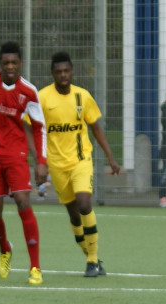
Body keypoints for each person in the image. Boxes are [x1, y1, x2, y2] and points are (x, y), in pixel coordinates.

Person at [39, 51, 122, 277]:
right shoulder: (42, 98)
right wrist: (39, 161)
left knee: (84, 204)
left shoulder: (82, 96)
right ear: (53, 73)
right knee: (74, 216)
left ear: (72, 71)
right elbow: (33, 129)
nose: (63, 75)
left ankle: (92, 260)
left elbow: (96, 128)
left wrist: (111, 158)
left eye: (66, 71)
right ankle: (92, 258)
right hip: (57, 165)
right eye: (59, 71)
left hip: (81, 160)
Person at [0, 41, 48, 285]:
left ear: (20, 63)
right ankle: (5, 248)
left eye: (14, 62)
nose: (10, 67)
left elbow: (39, 128)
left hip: (16, 155)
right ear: (0, 63)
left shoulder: (29, 91)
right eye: (6, 62)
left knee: (23, 201)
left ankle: (35, 267)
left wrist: (41, 161)